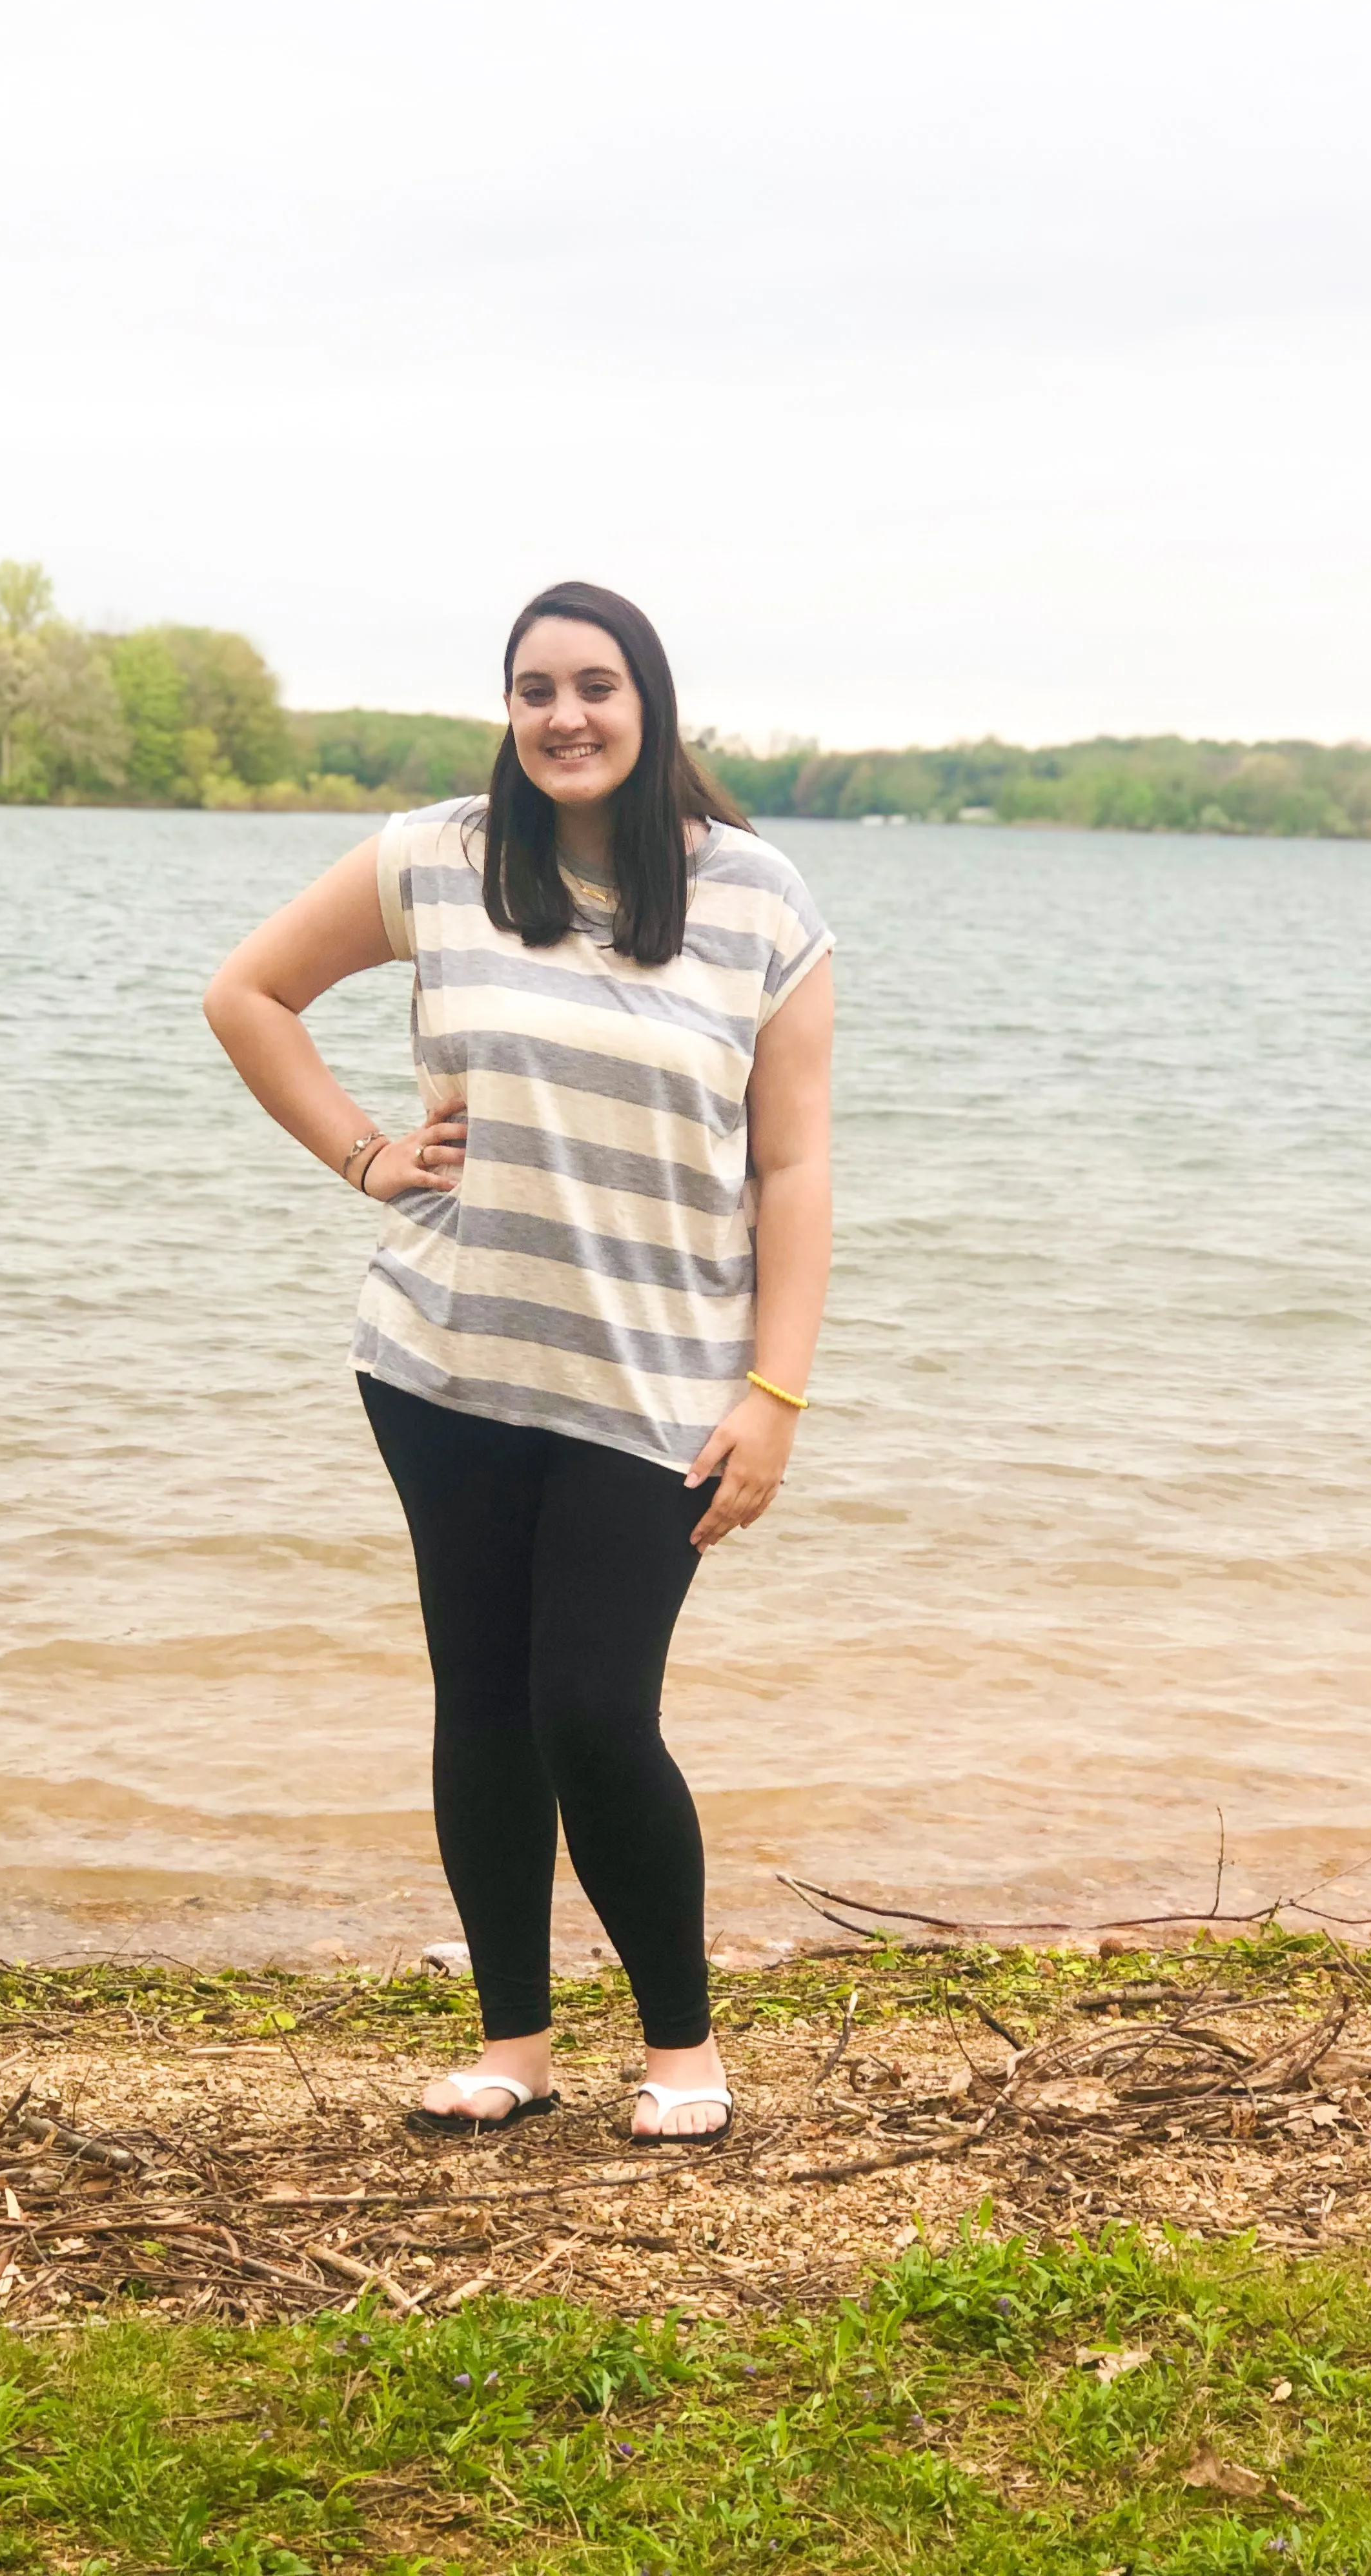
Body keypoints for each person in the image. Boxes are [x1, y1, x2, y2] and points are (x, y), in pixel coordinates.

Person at [204, 581, 834, 2142]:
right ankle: (515, 2049)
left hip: (661, 1386)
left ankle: (682, 2055)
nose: (566, 716)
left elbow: (796, 1171)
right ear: (508, 710)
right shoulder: (436, 860)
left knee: (595, 1709)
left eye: (597, 686)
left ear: (651, 706)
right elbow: (249, 994)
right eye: (535, 688)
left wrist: (775, 1392)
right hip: (444, 1365)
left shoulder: (758, 899)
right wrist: (366, 1154)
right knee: (483, 1701)